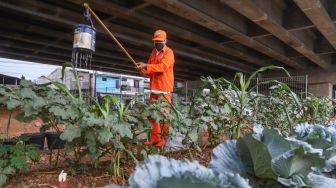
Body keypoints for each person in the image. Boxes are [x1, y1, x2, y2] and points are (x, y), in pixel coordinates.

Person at [136, 29, 175, 147]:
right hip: (154, 89)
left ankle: (163, 140)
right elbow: (151, 70)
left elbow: (162, 67)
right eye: (156, 41)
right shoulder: (153, 52)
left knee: (163, 116)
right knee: (153, 116)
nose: (158, 43)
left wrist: (146, 66)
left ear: (165, 41)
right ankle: (155, 139)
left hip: (164, 89)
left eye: (160, 41)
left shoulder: (169, 53)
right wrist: (144, 71)